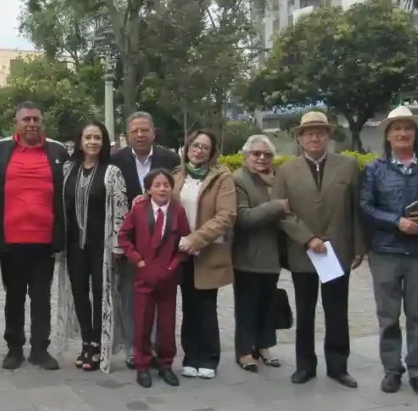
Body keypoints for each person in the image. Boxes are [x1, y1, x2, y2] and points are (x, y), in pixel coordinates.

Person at [360, 106, 418, 397]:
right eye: (396, 128)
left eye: (407, 128)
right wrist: (395, 221)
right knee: (388, 315)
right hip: (385, 251)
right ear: (387, 135)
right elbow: (365, 207)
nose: (402, 133)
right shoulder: (375, 169)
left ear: (416, 134)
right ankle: (391, 369)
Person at [276, 111, 365, 388]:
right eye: (309, 133)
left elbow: (357, 209)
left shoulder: (348, 166)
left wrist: (360, 246)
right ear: (300, 139)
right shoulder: (286, 171)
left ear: (329, 136)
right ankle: (305, 366)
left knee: (337, 311)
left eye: (320, 132)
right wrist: (307, 238)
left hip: (338, 252)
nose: (314, 137)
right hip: (304, 253)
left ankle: (338, 366)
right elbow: (281, 212)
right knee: (305, 311)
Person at [0, 102, 68, 371]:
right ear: (16, 123)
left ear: (42, 121)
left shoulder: (57, 151)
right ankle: (14, 348)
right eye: (26, 119)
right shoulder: (0, 150)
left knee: (41, 296)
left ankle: (39, 349)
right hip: (10, 240)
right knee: (14, 297)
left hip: (44, 240)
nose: (31, 124)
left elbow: (65, 194)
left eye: (36, 119)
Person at [55, 121, 128, 372]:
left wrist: (119, 244)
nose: (92, 142)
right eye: (88, 137)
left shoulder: (112, 172)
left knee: (100, 292)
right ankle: (86, 340)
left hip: (102, 246)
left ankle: (98, 342)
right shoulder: (68, 169)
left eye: (97, 137)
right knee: (78, 292)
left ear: (103, 142)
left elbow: (121, 210)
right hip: (74, 244)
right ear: (80, 141)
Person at [110, 112, 180, 369]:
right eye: (134, 131)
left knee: (160, 296)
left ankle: (155, 346)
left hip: (162, 242)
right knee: (130, 295)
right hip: (131, 241)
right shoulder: (115, 160)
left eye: (144, 130)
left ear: (153, 132)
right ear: (127, 135)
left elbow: (177, 193)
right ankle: (134, 346)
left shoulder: (170, 159)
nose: (140, 135)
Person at [172, 129, 236, 379]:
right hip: (181, 252)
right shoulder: (178, 176)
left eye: (205, 147)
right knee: (188, 305)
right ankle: (190, 355)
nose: (199, 151)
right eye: (195, 146)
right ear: (188, 148)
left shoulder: (222, 178)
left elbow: (227, 215)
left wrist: (196, 239)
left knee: (206, 305)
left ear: (212, 152)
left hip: (208, 251)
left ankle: (209, 357)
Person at [118, 169, 190, 388]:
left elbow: (185, 243)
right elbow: (123, 236)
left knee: (167, 325)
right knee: (142, 322)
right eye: (157, 185)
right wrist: (137, 260)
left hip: (168, 276)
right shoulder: (139, 210)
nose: (162, 189)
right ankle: (142, 365)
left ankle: (166, 364)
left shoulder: (178, 211)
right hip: (144, 275)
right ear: (148, 189)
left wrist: (173, 265)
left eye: (166, 185)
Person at [232, 135, 290, 372]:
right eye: (256, 154)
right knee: (247, 305)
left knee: (268, 303)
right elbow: (243, 217)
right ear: (246, 156)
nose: (262, 158)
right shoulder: (238, 180)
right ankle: (245, 351)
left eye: (267, 154)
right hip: (247, 255)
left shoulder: (278, 179)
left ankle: (264, 345)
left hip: (273, 255)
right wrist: (276, 207)